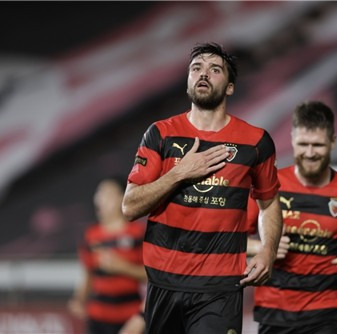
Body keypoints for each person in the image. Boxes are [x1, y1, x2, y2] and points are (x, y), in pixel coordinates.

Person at [121, 42, 283, 334]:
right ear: (188, 82)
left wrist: (268, 251)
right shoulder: (160, 133)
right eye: (196, 68)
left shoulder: (256, 142)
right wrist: (179, 173)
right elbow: (130, 206)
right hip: (163, 282)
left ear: (230, 87)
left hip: (219, 287)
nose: (203, 74)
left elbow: (269, 203)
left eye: (214, 69)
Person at [247, 101, 337, 334]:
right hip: (274, 312)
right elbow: (228, 240)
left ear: (333, 141)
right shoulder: (268, 187)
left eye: (318, 145)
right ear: (292, 139)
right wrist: (263, 246)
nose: (310, 153)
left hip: (328, 313)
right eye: (303, 144)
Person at [68, 178, 147, 334]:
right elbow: (89, 274)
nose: (100, 199)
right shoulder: (90, 235)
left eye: (107, 194)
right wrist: (79, 299)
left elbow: (152, 275)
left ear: (122, 197)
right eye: (99, 194)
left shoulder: (138, 233)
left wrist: (123, 268)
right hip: (98, 319)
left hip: (131, 319)